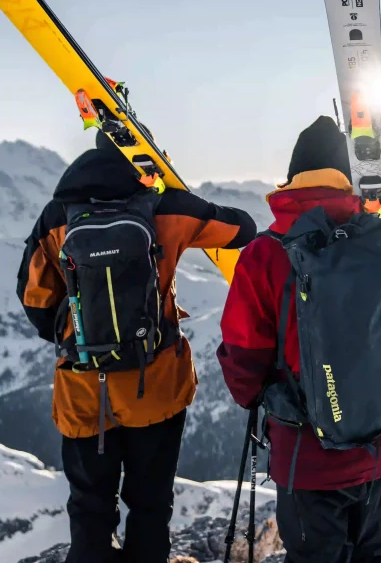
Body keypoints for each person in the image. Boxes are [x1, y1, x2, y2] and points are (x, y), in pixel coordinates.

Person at [18, 131, 257, 563]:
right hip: (156, 387)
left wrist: (77, 336)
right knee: (150, 506)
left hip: (84, 391)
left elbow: (34, 300)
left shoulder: (57, 215)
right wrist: (177, 196)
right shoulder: (167, 208)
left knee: (90, 509)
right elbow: (243, 229)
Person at [217, 116, 381, 563]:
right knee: (373, 552)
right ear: (348, 179)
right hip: (380, 444)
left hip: (306, 454)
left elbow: (242, 357)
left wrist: (262, 400)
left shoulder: (265, 252)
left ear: (291, 181)